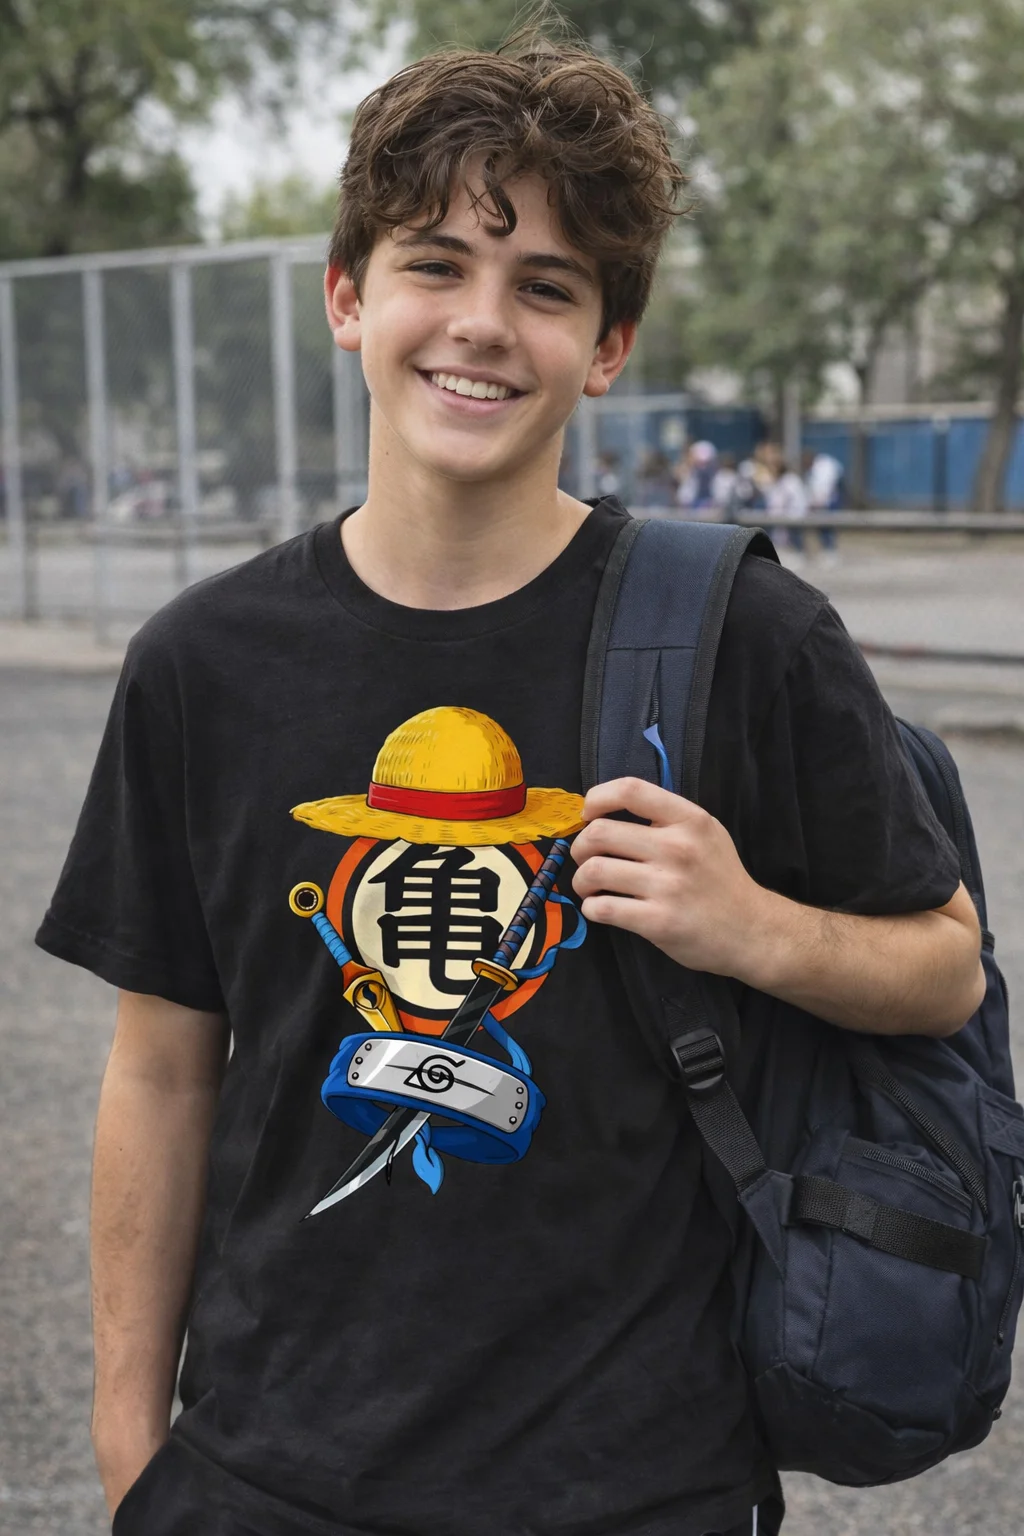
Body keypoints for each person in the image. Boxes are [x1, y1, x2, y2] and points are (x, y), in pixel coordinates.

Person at [36, 28, 985, 1536]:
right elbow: (161, 1070)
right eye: (436, 264)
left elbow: (944, 970)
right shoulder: (202, 665)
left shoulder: (746, 636)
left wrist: (752, 927)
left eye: (546, 286)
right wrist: (129, 1452)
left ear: (606, 346)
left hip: (634, 1483)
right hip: (261, 1477)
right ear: (348, 297)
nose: (481, 324)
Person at [803, 447, 844, 564]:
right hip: (822, 500)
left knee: (828, 526)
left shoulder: (824, 466)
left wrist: (819, 502)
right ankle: (826, 549)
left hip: (830, 499)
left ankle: (831, 552)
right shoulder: (812, 470)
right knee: (821, 527)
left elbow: (826, 486)